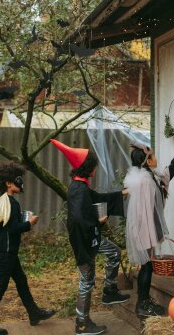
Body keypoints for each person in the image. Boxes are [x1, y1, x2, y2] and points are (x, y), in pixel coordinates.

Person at [50, 139, 130, 335]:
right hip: (84, 241)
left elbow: (97, 199)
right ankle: (83, 324)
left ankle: (108, 292)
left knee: (113, 253)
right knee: (86, 281)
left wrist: (121, 194)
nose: (95, 168)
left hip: (89, 238)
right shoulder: (78, 190)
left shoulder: (81, 187)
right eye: (93, 165)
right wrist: (98, 222)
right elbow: (77, 219)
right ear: (88, 168)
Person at [0, 161, 56, 335]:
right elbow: (12, 229)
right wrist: (28, 223)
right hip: (6, 252)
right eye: (18, 179)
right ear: (8, 183)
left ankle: (34, 313)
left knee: (21, 281)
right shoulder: (11, 203)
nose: (21, 183)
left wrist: (22, 222)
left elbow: (7, 227)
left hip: (3, 250)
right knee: (0, 286)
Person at [123, 144, 174, 319]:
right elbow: (147, 209)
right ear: (147, 161)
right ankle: (142, 304)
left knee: (146, 266)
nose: (156, 159)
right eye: (153, 156)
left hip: (141, 227)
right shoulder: (146, 180)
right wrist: (150, 232)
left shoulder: (146, 175)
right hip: (143, 227)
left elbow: (164, 177)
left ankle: (144, 301)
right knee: (147, 267)